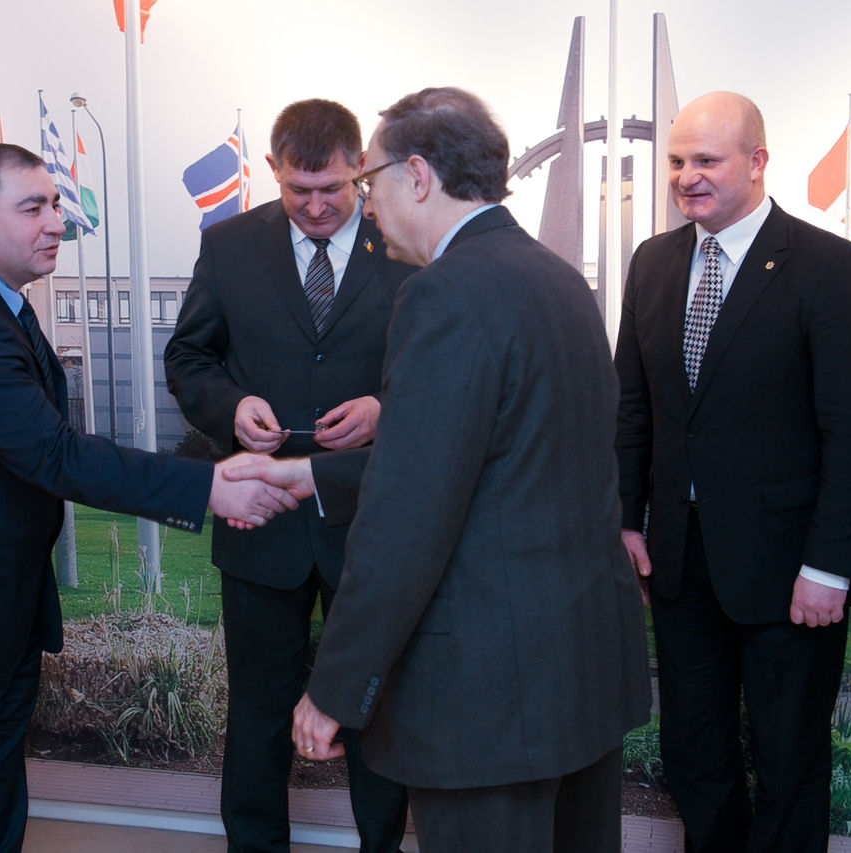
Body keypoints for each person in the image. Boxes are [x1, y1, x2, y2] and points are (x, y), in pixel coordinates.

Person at [227, 87, 651, 853]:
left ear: (416, 175)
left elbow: (411, 519)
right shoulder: (560, 281)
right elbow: (497, 464)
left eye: (369, 182)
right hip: (578, 676)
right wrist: (314, 477)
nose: (369, 205)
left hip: (491, 695)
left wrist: (331, 691)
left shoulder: (444, 295)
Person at [0, 142, 291, 852]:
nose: (57, 221)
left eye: (56, 204)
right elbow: (52, 454)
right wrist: (209, 485)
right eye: (34, 207)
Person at [613, 91, 851, 852]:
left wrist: (830, 567)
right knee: (694, 756)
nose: (686, 176)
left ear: (758, 161)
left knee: (788, 763)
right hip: (679, 564)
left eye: (706, 160)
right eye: (677, 160)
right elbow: (632, 409)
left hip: (792, 572)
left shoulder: (831, 267)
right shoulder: (654, 264)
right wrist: (625, 519)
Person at [164, 99, 412, 852]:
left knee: (377, 707)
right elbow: (188, 359)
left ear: (360, 174)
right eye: (298, 189)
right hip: (259, 515)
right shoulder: (229, 244)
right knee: (260, 713)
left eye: (331, 189)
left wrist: (383, 406)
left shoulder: (405, 245)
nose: (313, 206)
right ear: (272, 169)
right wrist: (232, 408)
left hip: (370, 520)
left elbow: (445, 374)